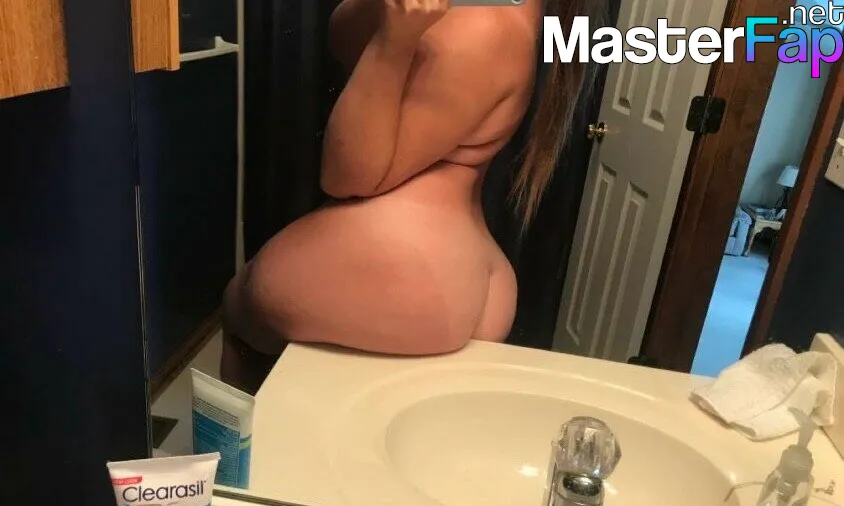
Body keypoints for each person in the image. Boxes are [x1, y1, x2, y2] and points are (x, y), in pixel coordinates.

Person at [221, 0, 604, 394]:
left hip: (401, 263)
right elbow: (342, 36)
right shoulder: (505, 14)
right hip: (445, 263)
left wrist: (392, 44)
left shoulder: (479, 25)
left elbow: (349, 175)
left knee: (238, 315)